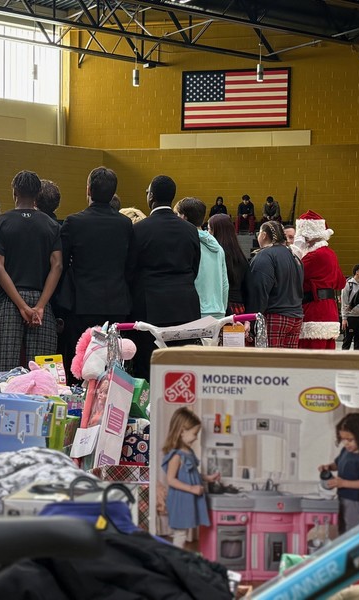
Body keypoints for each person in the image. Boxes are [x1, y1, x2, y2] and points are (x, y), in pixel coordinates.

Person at [60, 167, 133, 378]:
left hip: (82, 303)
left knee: (81, 361)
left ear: (88, 190)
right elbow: (130, 264)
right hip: (117, 302)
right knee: (113, 363)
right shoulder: (125, 224)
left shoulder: (73, 222)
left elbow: (62, 264)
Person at [127, 175, 200, 381]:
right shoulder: (190, 230)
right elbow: (195, 268)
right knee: (182, 367)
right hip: (185, 305)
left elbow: (130, 269)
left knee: (150, 368)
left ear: (151, 197)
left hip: (151, 308)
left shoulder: (139, 229)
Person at [0, 170, 63, 371]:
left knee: (4, 372)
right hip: (42, 300)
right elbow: (57, 265)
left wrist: (22, 306)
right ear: (38, 193)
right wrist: (40, 306)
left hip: (8, 301)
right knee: (43, 375)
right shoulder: (52, 225)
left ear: (14, 192)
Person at [161, 407, 220, 548]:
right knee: (180, 533)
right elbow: (171, 480)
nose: (196, 437)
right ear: (182, 431)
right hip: (181, 498)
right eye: (195, 433)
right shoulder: (176, 456)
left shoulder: (188, 452)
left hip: (188, 498)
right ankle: (176, 561)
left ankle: (179, 559)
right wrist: (192, 488)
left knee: (184, 532)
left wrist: (207, 478)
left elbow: (191, 474)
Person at [291, 210, 346, 349]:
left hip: (313, 311)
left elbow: (290, 274)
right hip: (329, 310)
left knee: (309, 359)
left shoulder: (312, 256)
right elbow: (341, 282)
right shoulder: (331, 254)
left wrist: (296, 251)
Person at [246, 221, 304, 348]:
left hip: (276, 315)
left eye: (259, 233)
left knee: (270, 362)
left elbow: (259, 289)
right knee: (287, 363)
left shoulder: (265, 255)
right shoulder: (294, 256)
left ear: (264, 235)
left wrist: (250, 319)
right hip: (296, 317)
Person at [319, 413, 359, 534]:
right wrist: (328, 467)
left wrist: (342, 483)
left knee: (354, 533)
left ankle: (354, 552)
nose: (346, 443)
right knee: (343, 531)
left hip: (355, 502)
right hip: (342, 498)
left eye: (350, 440)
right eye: (343, 439)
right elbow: (337, 464)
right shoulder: (345, 451)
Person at [175, 197, 228, 319]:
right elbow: (225, 283)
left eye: (177, 214)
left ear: (184, 217)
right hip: (217, 311)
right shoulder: (218, 247)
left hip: (194, 311)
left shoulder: (185, 244)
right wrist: (222, 309)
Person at [208, 214, 251, 316]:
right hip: (238, 309)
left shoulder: (214, 256)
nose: (207, 233)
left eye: (209, 229)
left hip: (218, 309)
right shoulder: (240, 256)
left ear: (216, 231)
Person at [341, 264, 359, 351]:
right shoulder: (348, 285)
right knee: (347, 341)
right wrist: (344, 318)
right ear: (357, 272)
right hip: (351, 317)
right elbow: (344, 302)